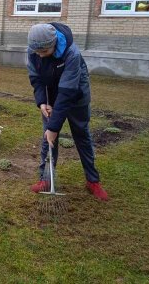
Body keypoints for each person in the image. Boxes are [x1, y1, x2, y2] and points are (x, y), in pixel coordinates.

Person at [27, 22, 108, 201]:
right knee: (47, 138)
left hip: (75, 95)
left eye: (44, 52)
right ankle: (46, 179)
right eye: (37, 52)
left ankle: (92, 181)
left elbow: (67, 91)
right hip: (51, 95)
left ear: (54, 44)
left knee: (81, 135)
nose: (39, 55)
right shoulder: (33, 50)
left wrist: (54, 126)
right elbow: (36, 79)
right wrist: (42, 103)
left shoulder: (72, 54)